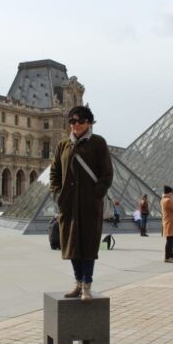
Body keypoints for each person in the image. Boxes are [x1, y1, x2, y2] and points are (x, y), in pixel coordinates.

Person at [49, 106, 113, 302]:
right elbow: (55, 172)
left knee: (88, 245)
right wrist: (57, 194)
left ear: (89, 123)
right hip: (68, 204)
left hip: (89, 204)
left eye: (80, 121)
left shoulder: (98, 142)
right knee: (71, 245)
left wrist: (95, 195)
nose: (75, 125)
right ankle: (78, 283)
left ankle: (87, 285)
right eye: (72, 121)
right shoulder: (63, 145)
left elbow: (107, 174)